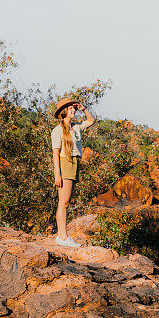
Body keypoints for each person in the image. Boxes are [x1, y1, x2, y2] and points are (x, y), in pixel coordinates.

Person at [51, 97, 95, 246]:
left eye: (74, 108)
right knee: (63, 202)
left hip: (74, 163)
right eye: (71, 108)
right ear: (64, 112)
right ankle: (62, 237)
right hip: (65, 164)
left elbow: (91, 121)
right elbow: (55, 153)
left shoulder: (75, 127)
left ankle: (61, 236)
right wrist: (57, 174)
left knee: (65, 201)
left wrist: (83, 109)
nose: (73, 110)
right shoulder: (57, 130)